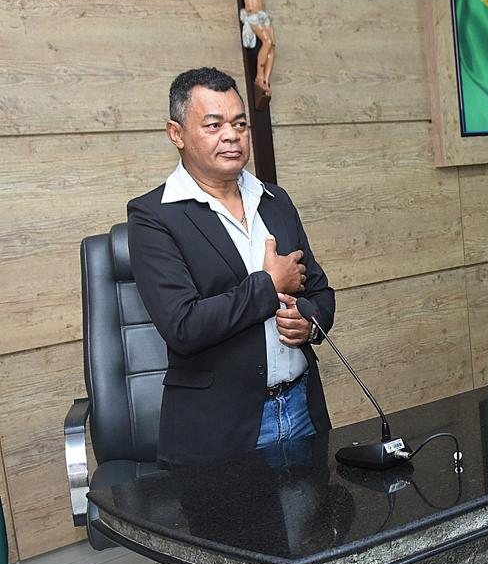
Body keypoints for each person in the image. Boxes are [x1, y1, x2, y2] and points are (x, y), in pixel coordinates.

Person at [127, 67, 335, 466]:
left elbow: (320, 293)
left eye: (240, 124)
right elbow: (183, 326)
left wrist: (308, 323)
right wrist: (268, 286)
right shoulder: (154, 217)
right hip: (220, 429)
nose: (232, 135)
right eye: (214, 125)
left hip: (301, 407)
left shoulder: (275, 201)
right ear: (176, 134)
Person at [210, 0, 288, 105]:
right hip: (253, 14)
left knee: (272, 46)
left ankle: (266, 81)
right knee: (267, 42)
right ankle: (259, 77)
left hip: (263, 14)